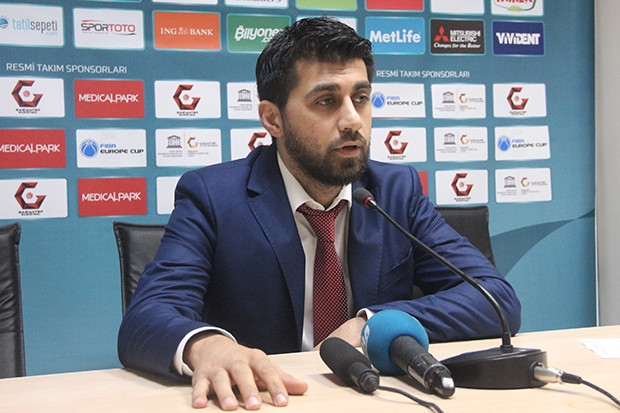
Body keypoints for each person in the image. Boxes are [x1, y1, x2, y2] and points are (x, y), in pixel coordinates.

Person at [118, 16, 521, 411]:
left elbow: (495, 298)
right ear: (272, 118)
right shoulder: (213, 198)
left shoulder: (395, 192)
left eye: (360, 98)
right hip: (268, 402)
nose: (352, 120)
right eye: (326, 101)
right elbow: (146, 317)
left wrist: (372, 322)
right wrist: (206, 346)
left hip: (375, 399)